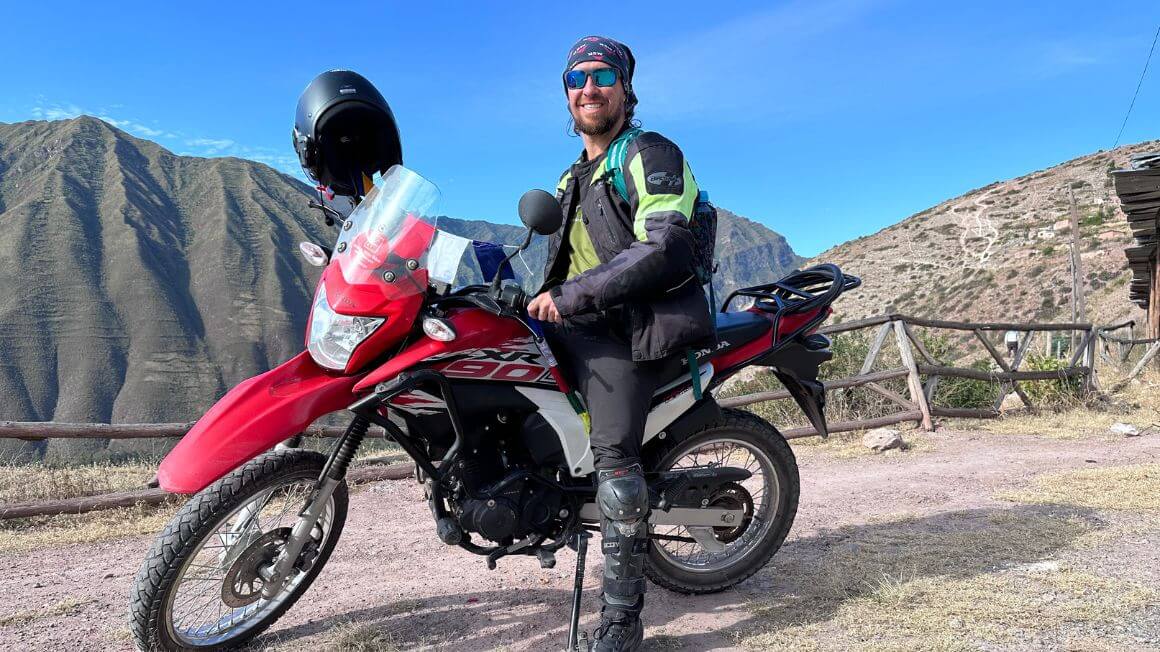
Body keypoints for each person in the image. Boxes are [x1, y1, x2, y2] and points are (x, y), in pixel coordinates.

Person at [526, 35, 714, 651]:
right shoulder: (573, 175)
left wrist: (573, 298)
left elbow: (664, 245)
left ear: (626, 89)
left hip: (630, 329)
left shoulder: (648, 153)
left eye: (602, 75)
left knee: (616, 459)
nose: (588, 87)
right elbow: (560, 258)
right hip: (578, 322)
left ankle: (622, 619)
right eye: (575, 79)